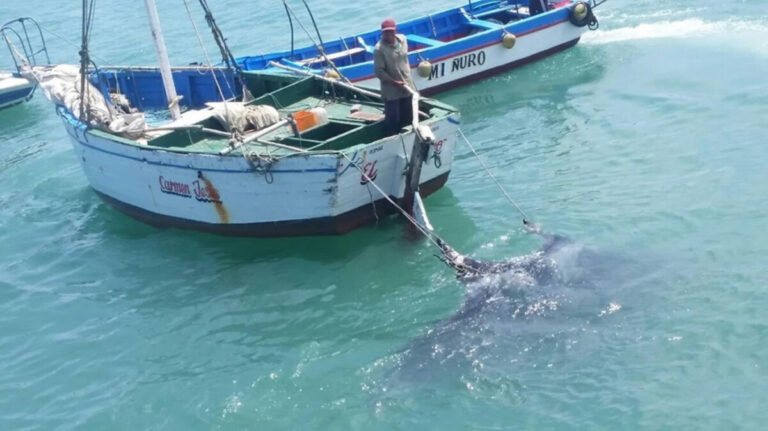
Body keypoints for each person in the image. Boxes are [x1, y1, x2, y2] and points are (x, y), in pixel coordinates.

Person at [373, 18, 417, 135]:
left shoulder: (403, 40)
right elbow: (379, 72)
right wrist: (394, 82)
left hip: (407, 85)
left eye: (391, 31)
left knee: (408, 115)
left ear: (395, 31)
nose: (388, 34)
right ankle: (392, 138)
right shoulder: (379, 49)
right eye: (385, 32)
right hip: (391, 90)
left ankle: (409, 136)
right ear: (382, 33)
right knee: (393, 118)